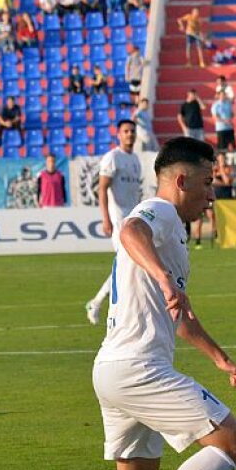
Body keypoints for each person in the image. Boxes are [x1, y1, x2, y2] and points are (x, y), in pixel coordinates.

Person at [4, 137, 236, 470]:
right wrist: (162, 276)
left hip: (114, 369)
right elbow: (128, 231)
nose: (212, 195)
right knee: (233, 442)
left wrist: (222, 360)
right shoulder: (159, 211)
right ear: (181, 181)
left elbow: (182, 318)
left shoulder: (173, 231)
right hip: (139, 370)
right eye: (208, 183)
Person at [85, 120, 143, 324]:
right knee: (127, 263)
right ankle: (100, 303)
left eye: (132, 131)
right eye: (126, 131)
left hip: (133, 220)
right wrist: (106, 218)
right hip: (118, 221)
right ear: (119, 134)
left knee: (131, 265)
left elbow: (135, 193)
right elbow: (102, 188)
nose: (130, 135)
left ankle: (106, 304)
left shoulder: (135, 159)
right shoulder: (112, 157)